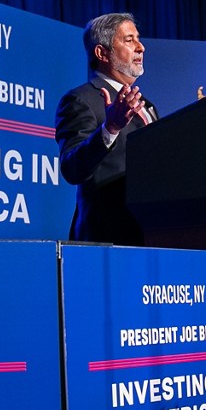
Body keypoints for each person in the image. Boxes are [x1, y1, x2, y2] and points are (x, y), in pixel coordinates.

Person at [54, 13, 157, 246]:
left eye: (138, 39)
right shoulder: (81, 100)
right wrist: (110, 128)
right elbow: (72, 168)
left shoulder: (147, 106)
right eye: (129, 40)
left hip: (153, 235)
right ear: (102, 53)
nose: (141, 47)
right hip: (108, 240)